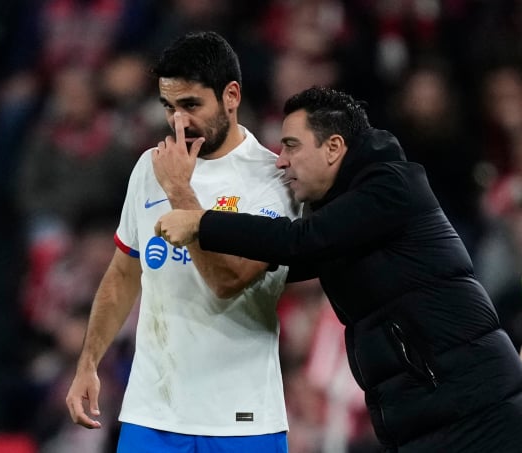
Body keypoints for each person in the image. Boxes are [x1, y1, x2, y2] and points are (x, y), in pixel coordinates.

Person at [155, 86, 522, 452]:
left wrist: (203, 222)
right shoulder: (341, 223)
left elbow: (298, 241)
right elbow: (246, 271)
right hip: (428, 419)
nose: (281, 160)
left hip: (476, 413)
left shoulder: (391, 185)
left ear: (333, 147)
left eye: (291, 145)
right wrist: (183, 194)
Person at [65, 31, 299, 452]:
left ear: (231, 95)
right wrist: (88, 363)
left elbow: (229, 282)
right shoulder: (148, 168)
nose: (178, 121)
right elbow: (123, 273)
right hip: (152, 415)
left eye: (191, 105)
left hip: (242, 419)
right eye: (169, 107)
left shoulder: (273, 179)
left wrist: (180, 194)